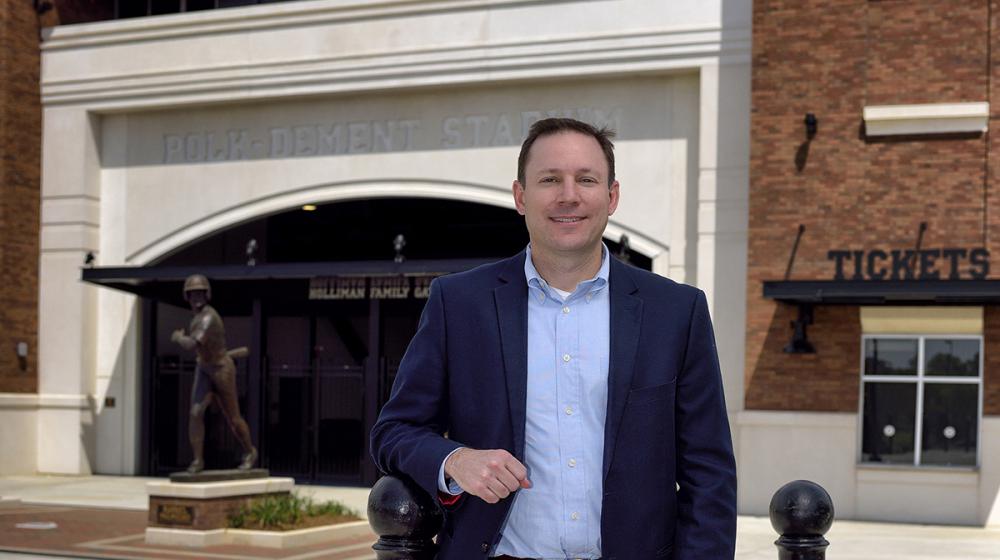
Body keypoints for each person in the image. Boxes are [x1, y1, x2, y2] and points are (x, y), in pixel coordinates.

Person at [370, 118, 736, 559]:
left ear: (612, 196)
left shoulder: (676, 312)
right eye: (549, 180)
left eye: (586, 179)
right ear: (521, 197)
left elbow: (708, 473)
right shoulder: (459, 303)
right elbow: (394, 431)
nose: (569, 195)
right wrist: (455, 460)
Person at [171, 274, 257, 473]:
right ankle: (197, 461)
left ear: (207, 294)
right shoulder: (197, 318)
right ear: (187, 296)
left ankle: (250, 451)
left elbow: (191, 344)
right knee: (195, 413)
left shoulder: (209, 317)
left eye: (200, 293)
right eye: (192, 294)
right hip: (204, 368)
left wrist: (177, 337)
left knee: (233, 418)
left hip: (221, 369)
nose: (196, 298)